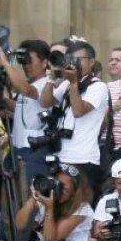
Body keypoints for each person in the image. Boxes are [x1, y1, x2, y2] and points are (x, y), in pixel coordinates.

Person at [0, 162, 94, 241]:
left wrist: (49, 208)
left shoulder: (82, 208)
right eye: (57, 185)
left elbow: (51, 238)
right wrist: (32, 200)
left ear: (74, 192)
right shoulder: (50, 197)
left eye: (64, 189)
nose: (59, 190)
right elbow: (20, 225)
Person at [46, 40, 111, 195]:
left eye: (78, 60)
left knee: (82, 203)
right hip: (61, 155)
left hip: (83, 158)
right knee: (60, 201)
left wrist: (74, 83)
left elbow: (78, 111)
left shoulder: (98, 86)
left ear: (92, 61)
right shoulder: (66, 84)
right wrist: (51, 79)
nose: (74, 64)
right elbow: (46, 102)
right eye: (70, 59)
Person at [0, 39, 53, 182]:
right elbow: (23, 108)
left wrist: (6, 64)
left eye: (30, 61)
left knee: (31, 191)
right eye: (23, 61)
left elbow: (28, 91)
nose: (26, 66)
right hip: (17, 147)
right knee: (14, 193)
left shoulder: (48, 84)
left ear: (44, 62)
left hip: (34, 150)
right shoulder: (29, 84)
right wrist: (2, 100)